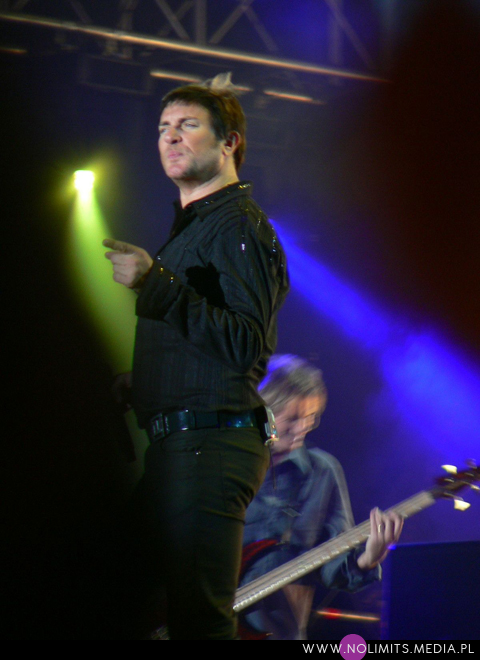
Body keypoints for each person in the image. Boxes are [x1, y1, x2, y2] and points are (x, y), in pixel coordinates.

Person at [102, 74, 289, 640]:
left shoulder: (238, 224)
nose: (170, 137)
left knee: (198, 622)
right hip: (182, 448)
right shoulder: (199, 228)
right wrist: (148, 381)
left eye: (188, 125)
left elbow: (246, 344)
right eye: (163, 127)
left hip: (208, 448)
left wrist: (154, 284)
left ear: (229, 142)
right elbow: (208, 343)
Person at [240, 355, 403, 640]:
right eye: (292, 418)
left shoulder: (323, 471)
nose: (302, 427)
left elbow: (333, 563)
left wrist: (366, 559)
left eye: (311, 417)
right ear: (264, 411)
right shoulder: (230, 463)